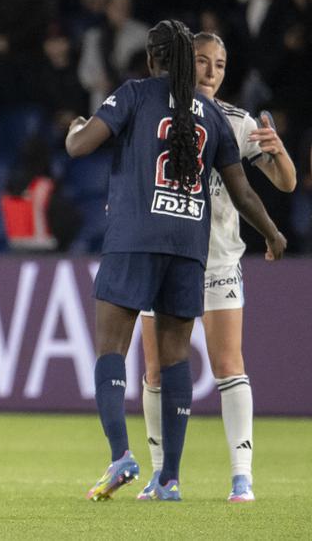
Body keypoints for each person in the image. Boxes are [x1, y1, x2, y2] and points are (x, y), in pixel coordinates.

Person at [65, 20, 286, 503]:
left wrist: (74, 130)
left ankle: (122, 455)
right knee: (175, 359)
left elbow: (82, 147)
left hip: (135, 237)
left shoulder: (137, 94)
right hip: (189, 245)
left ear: (152, 59)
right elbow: (243, 190)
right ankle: (169, 478)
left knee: (112, 348)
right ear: (189, 62)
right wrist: (272, 232)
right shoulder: (209, 110)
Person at [137, 32, 296, 502]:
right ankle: (162, 473)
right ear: (185, 64)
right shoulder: (157, 113)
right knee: (156, 372)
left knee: (228, 364)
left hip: (218, 259)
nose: (211, 71)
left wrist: (278, 148)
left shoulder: (236, 121)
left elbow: (285, 183)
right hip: (164, 257)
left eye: (220, 64)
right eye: (203, 61)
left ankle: (242, 476)